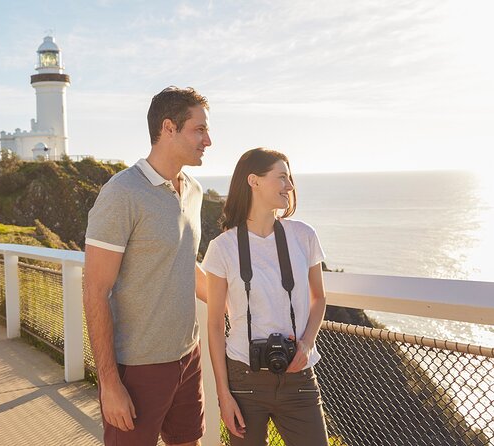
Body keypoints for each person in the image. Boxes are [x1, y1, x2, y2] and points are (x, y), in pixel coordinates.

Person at [83, 86, 212, 446]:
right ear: (168, 128)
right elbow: (94, 289)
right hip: (138, 367)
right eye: (199, 130)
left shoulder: (194, 190)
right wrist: (109, 382)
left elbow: (183, 263)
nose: (208, 140)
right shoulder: (122, 193)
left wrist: (239, 303)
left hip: (189, 354)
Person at [201, 148, 329, 446]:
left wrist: (306, 344)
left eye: (290, 177)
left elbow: (319, 298)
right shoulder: (222, 248)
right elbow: (215, 326)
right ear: (254, 181)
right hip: (243, 379)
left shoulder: (303, 236)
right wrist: (224, 395)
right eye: (282, 177)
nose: (290, 185)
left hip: (298, 376)